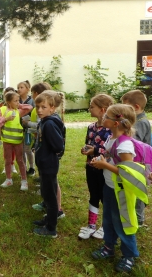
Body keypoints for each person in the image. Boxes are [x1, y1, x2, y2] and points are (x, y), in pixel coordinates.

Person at [90, 104, 148, 273]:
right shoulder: (111, 138)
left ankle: (129, 255)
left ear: (116, 123)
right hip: (110, 187)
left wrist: (104, 165)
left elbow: (127, 172)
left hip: (121, 190)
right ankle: (108, 247)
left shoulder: (125, 146)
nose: (103, 117)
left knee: (123, 222)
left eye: (106, 116)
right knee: (108, 219)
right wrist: (103, 159)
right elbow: (111, 156)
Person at [78, 94, 114, 240]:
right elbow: (89, 143)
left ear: (102, 109)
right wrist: (86, 149)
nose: (89, 109)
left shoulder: (111, 130)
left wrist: (96, 151)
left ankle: (105, 227)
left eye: (92, 106)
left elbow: (110, 151)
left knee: (105, 198)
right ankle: (91, 226)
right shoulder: (91, 127)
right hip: (90, 167)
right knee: (93, 195)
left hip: (104, 169)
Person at [28, 83, 65, 220]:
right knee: (47, 193)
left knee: (50, 196)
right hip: (44, 162)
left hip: (49, 163)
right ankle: (49, 218)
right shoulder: (45, 121)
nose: (39, 110)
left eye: (43, 107)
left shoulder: (49, 123)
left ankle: (51, 227)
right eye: (37, 107)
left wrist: (44, 149)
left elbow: (58, 145)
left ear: (52, 108)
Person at [121, 90, 151, 226]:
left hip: (142, 164)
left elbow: (133, 142)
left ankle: (139, 219)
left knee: (138, 189)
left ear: (136, 107)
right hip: (137, 162)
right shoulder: (137, 120)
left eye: (126, 108)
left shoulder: (141, 123)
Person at [0, 91, 31, 190]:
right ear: (9, 102)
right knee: (8, 160)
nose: (18, 102)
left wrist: (19, 105)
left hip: (18, 141)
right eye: (15, 101)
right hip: (7, 141)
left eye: (19, 100)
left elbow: (29, 107)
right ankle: (8, 179)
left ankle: (24, 180)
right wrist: (5, 118)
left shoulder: (18, 110)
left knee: (20, 160)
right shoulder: (2, 110)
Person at [17, 80, 35, 176]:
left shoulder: (32, 101)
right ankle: (23, 168)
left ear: (28, 89)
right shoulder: (16, 100)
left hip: (28, 128)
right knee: (21, 150)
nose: (19, 89)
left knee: (27, 149)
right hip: (18, 128)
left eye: (21, 87)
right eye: (18, 87)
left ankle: (32, 167)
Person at [0, 86, 17, 174]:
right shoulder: (1, 106)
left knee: (13, 150)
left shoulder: (16, 107)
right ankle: (6, 166)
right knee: (6, 150)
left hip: (14, 133)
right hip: (5, 132)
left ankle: (12, 165)